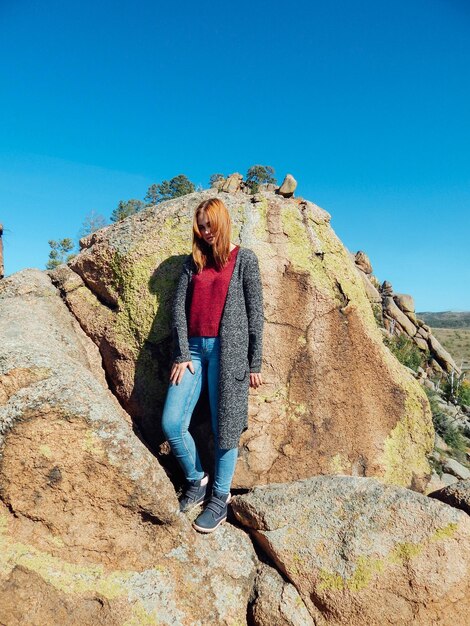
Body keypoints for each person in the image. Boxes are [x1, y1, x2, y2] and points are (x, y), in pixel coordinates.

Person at [161, 197, 264, 533]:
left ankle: (220, 499)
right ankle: (197, 480)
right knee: (172, 422)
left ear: (221, 222)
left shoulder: (244, 259)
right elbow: (177, 309)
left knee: (226, 428)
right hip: (192, 350)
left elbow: (255, 313)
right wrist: (181, 354)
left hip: (228, 352)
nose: (205, 232)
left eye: (209, 225)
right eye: (200, 226)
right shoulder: (194, 263)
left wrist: (254, 361)